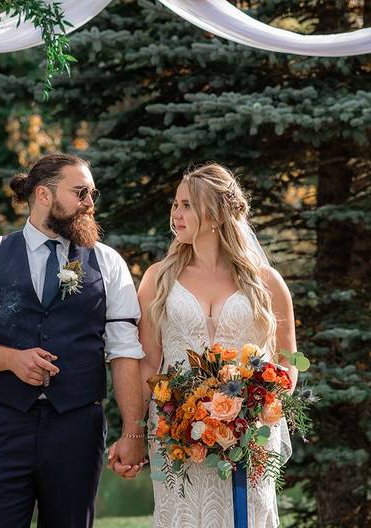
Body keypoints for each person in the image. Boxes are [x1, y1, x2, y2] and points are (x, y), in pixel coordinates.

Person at [0, 153, 147, 528]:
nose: (90, 203)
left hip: (78, 427)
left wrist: (134, 430)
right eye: (81, 192)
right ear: (44, 194)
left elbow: (125, 351)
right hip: (4, 423)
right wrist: (11, 360)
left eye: (93, 194)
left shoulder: (108, 262)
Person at [108, 162, 298, 528]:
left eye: (186, 206)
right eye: (175, 205)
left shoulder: (266, 283)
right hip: (177, 433)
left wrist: (257, 404)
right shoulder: (159, 278)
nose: (175, 214)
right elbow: (148, 365)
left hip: (248, 436)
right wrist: (132, 431)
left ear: (215, 214)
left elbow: (287, 362)